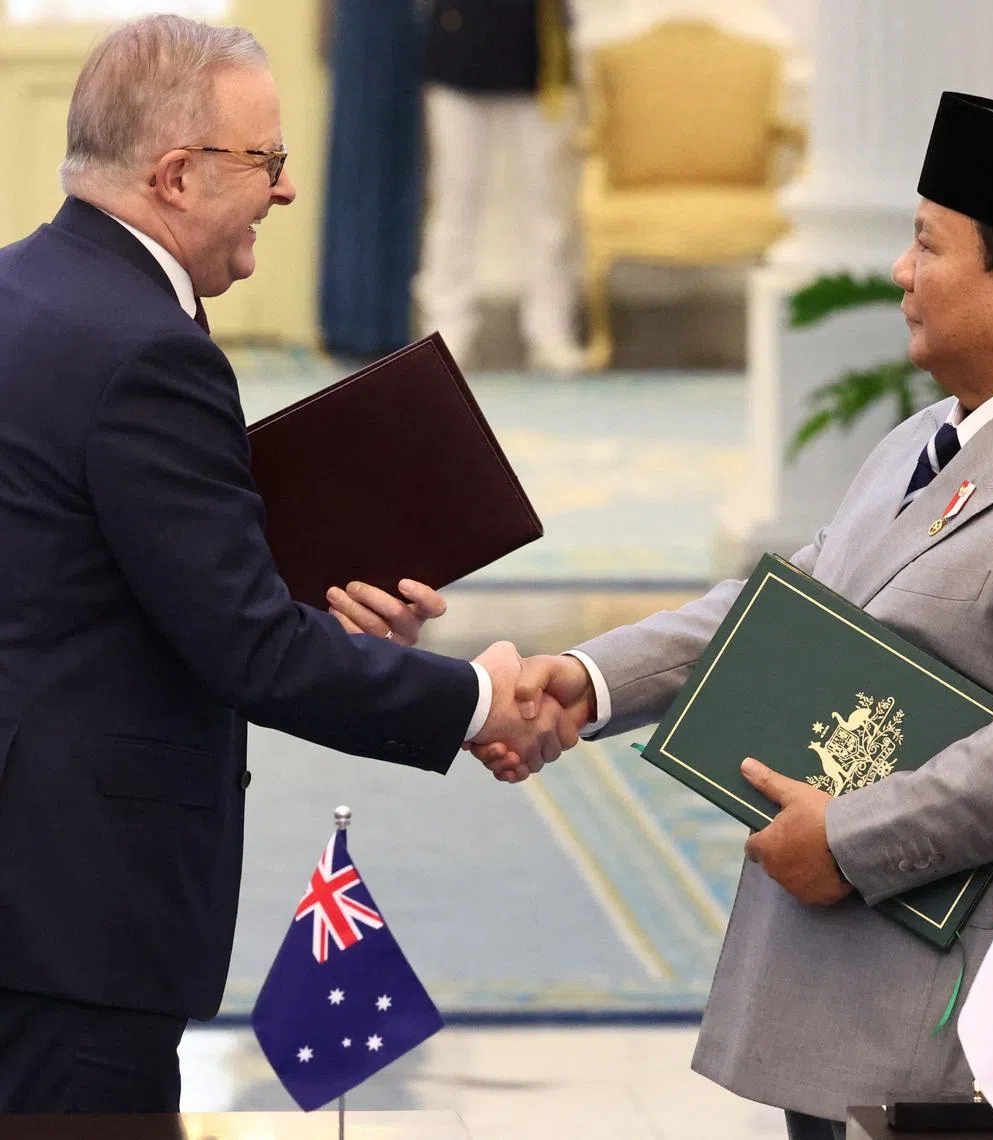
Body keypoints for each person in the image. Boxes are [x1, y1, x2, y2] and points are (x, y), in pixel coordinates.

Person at [412, 92, 993, 1136]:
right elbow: (786, 612)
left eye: (928, 246)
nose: (900, 272)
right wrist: (585, 678)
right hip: (854, 1009)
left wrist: (849, 841)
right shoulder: (929, 434)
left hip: (974, 1044)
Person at [0, 15, 568, 1115]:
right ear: (175, 174)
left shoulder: (23, 288)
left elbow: (84, 567)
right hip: (76, 911)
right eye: (267, 161)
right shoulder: (150, 350)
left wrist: (296, 596)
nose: (287, 191)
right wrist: (484, 698)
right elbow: (248, 651)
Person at [417, 0, 585, 371]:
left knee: (550, 205)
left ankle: (550, 330)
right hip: (458, 47)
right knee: (454, 201)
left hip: (540, 58)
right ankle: (445, 331)